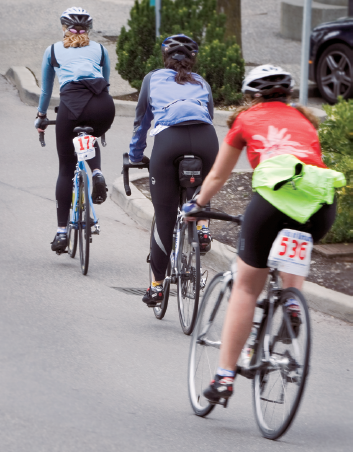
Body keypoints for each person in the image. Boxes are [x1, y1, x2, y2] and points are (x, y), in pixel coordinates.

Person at [182, 65, 345, 403]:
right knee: (294, 243)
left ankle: (225, 377)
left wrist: (196, 205)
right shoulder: (306, 121)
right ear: (288, 96)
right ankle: (291, 307)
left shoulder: (246, 120)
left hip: (274, 198)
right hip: (321, 202)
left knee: (245, 283)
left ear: (251, 97)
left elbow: (218, 176)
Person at [128, 34, 219, 307]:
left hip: (169, 143)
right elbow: (210, 116)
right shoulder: (201, 82)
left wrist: (135, 154)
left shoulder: (152, 79)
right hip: (206, 139)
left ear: (164, 58)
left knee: (165, 216)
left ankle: (156, 286)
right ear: (193, 60)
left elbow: (141, 120)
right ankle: (202, 227)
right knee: (201, 188)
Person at [34, 7, 115, 253]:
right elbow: (106, 82)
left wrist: (41, 117)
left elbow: (47, 91)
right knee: (91, 135)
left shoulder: (53, 51)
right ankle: (97, 172)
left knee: (66, 169)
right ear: (88, 29)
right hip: (102, 104)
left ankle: (61, 233)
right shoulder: (100, 49)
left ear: (63, 28)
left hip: (71, 105)